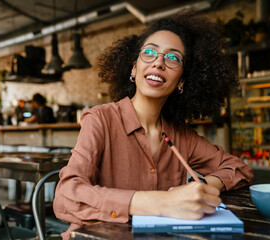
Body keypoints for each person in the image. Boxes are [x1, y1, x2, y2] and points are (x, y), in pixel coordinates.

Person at [53, 9, 253, 239]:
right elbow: (66, 197)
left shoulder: (182, 136)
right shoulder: (100, 120)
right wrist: (162, 202)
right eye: (149, 53)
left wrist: (207, 185)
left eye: (173, 58)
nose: (158, 62)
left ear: (182, 81)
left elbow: (239, 168)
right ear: (133, 68)